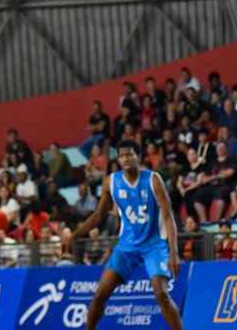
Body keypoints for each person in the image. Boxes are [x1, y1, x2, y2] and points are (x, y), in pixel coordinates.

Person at [68, 139, 183, 330]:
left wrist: (174, 252)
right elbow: (98, 216)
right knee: (99, 295)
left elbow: (168, 216)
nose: (126, 159)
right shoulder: (111, 182)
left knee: (161, 294)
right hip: (127, 246)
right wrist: (74, 236)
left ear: (139, 157)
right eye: (122, 156)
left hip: (154, 245)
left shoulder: (153, 179)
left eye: (130, 154)